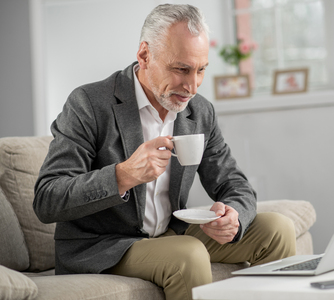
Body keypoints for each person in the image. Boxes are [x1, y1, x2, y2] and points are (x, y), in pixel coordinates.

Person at [33, 4, 296, 300]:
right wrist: (122, 176)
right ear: (145, 55)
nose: (192, 86)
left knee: (277, 228)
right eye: (181, 69)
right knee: (188, 254)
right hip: (105, 245)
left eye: (200, 70)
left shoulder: (199, 111)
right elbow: (47, 199)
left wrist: (233, 213)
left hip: (171, 234)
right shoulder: (89, 104)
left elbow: (233, 182)